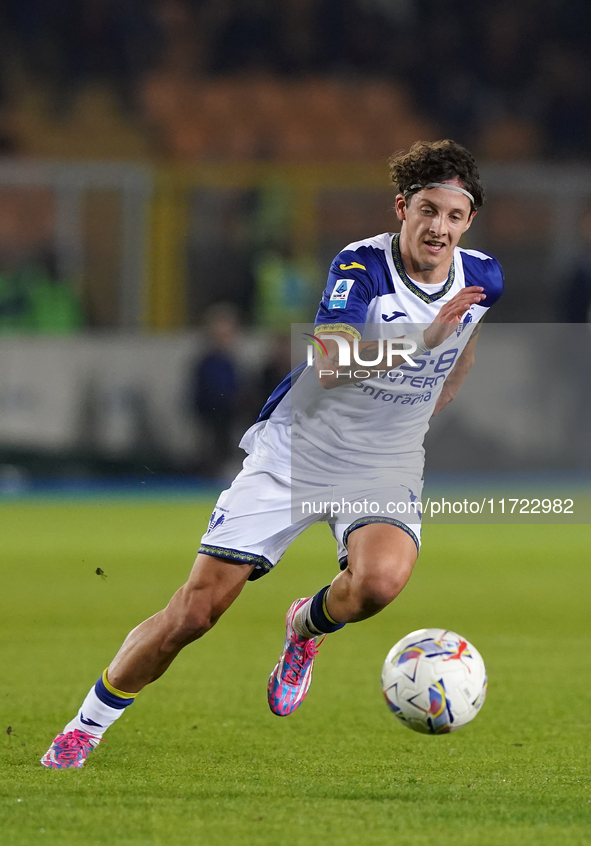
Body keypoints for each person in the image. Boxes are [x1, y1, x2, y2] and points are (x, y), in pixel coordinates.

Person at [41, 139, 503, 768]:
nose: (439, 228)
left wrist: (420, 412)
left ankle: (303, 629)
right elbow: (334, 364)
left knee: (379, 583)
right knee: (196, 612)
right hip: (300, 451)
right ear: (402, 207)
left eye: (453, 216)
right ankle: (84, 727)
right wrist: (421, 341)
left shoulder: (483, 277)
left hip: (383, 463)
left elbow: (464, 346)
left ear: (469, 220)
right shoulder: (360, 267)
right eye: (427, 210)